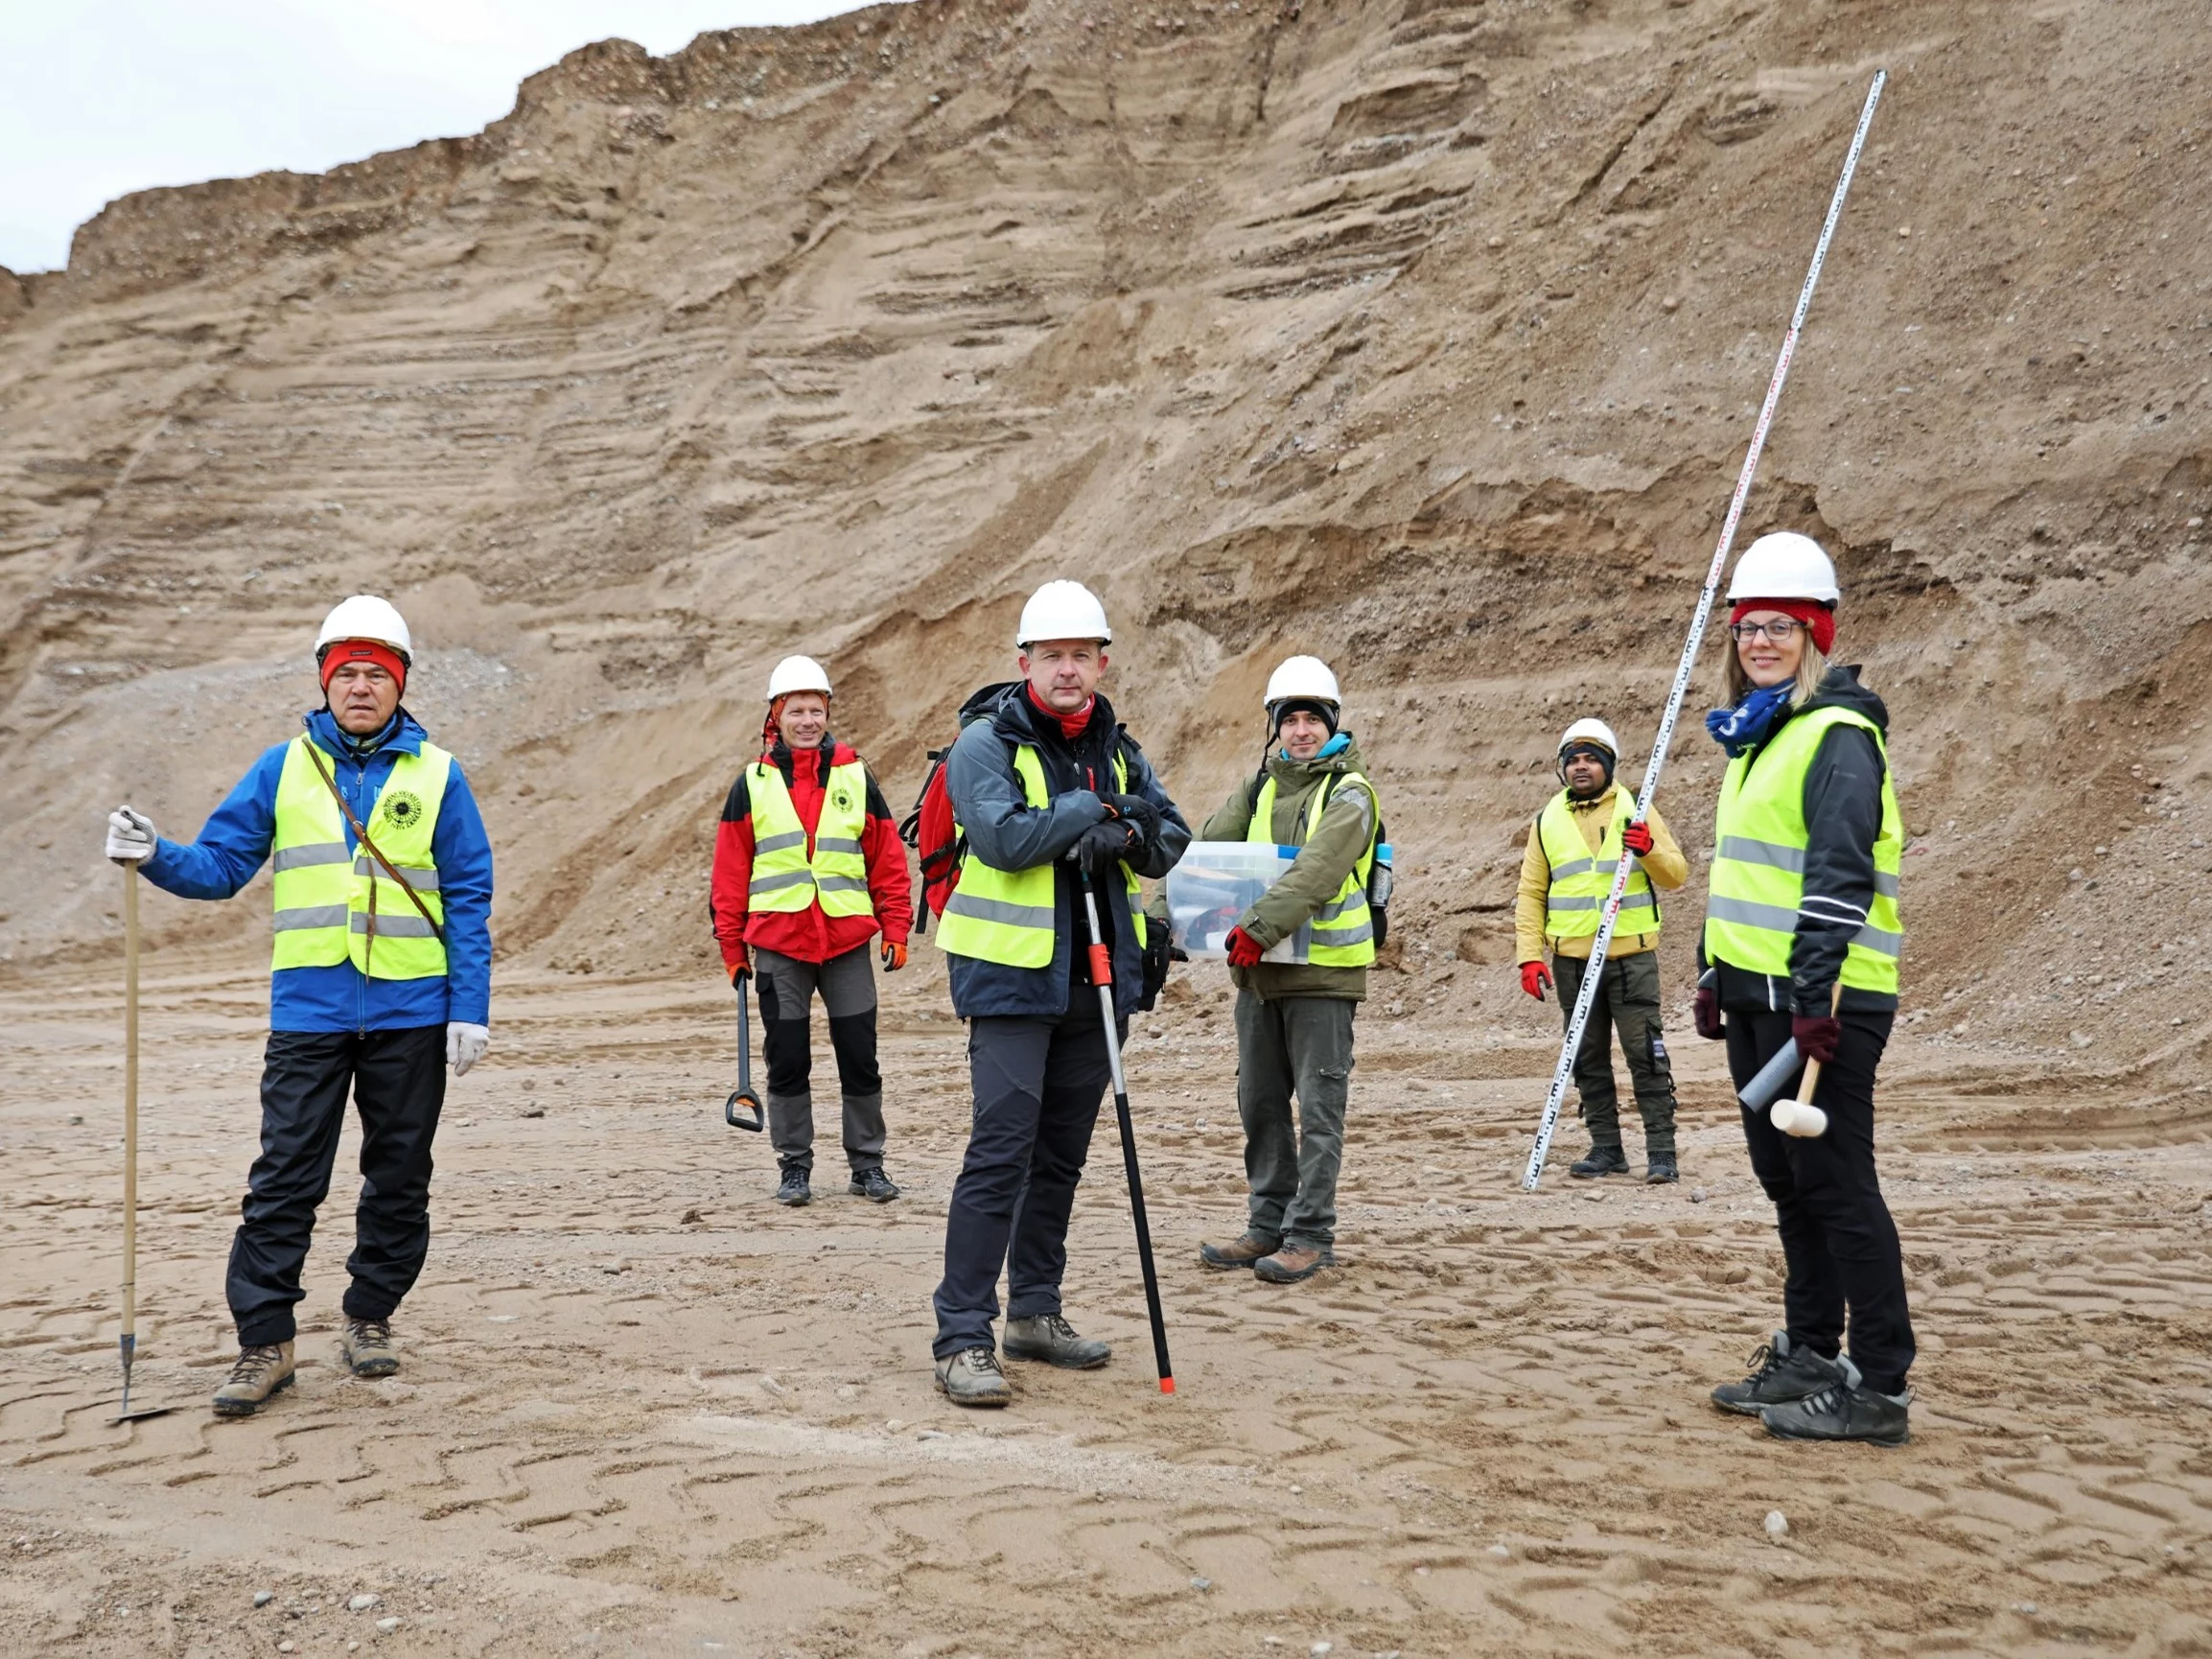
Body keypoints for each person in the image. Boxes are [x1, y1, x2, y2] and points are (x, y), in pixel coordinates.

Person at [104, 596, 494, 1417]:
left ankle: (369, 1318)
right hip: (309, 1013)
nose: (360, 688)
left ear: (400, 686)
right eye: (345, 673)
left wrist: (470, 1006)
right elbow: (217, 867)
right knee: (283, 1180)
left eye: (375, 675)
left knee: (398, 1176)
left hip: (411, 1012)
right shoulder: (281, 768)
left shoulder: (439, 776)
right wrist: (155, 854)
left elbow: (467, 897)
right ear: (324, 682)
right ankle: (266, 1344)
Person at [929, 580, 1190, 1407]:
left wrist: (1122, 827)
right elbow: (1004, 841)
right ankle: (962, 1334)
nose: (1068, 669)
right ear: (1024, 662)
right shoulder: (984, 744)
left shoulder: (1118, 744)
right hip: (1008, 983)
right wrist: (1096, 811)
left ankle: (1033, 1314)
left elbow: (1168, 836)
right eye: (1053, 656)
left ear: (1102, 660)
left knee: (1059, 1161)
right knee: (998, 1155)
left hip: (1098, 980)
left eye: (1082, 654)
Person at [1695, 530, 1914, 1446]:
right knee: (1785, 1181)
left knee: (1835, 1183)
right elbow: (1749, 876)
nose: (1763, 641)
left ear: (1817, 635)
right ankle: (1811, 1352)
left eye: (1783, 626)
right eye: (1750, 627)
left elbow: (1835, 877)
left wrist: (1814, 1001)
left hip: (1825, 1003)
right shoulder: (1759, 737)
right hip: (1761, 995)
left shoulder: (1837, 734)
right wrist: (1717, 970)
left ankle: (1881, 1385)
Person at [1195, 656, 1381, 1284]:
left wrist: (1255, 927)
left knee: (1318, 1111)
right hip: (1261, 977)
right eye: (1289, 719)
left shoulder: (1350, 792)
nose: (1300, 730)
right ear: (1274, 726)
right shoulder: (1259, 785)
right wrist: (1164, 915)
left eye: (1311, 718)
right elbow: (1207, 849)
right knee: (1261, 1105)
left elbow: (1318, 871)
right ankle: (1266, 1227)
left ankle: (1309, 1236)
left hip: (1322, 978)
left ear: (1331, 723)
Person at [710, 654, 913, 1205]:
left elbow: (887, 860)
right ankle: (794, 1165)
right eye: (796, 709)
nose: (807, 720)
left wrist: (896, 927)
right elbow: (730, 873)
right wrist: (732, 947)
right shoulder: (750, 785)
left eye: (816, 709)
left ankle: (867, 1165)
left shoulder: (856, 776)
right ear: (775, 716)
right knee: (789, 1061)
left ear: (827, 713)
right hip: (778, 947)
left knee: (859, 1057)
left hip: (847, 943)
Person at [1513, 718, 1689, 1183]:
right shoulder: (1547, 820)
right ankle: (1607, 1149)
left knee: (1644, 1056)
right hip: (1571, 963)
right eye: (1573, 760)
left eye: (1591, 759)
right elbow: (1532, 892)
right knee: (1587, 1059)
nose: (1582, 767)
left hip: (1630, 960)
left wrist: (1648, 849)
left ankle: (1662, 1153)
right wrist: (1529, 955)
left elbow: (1676, 874)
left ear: (1608, 765)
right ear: (1561, 769)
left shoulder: (1638, 807)